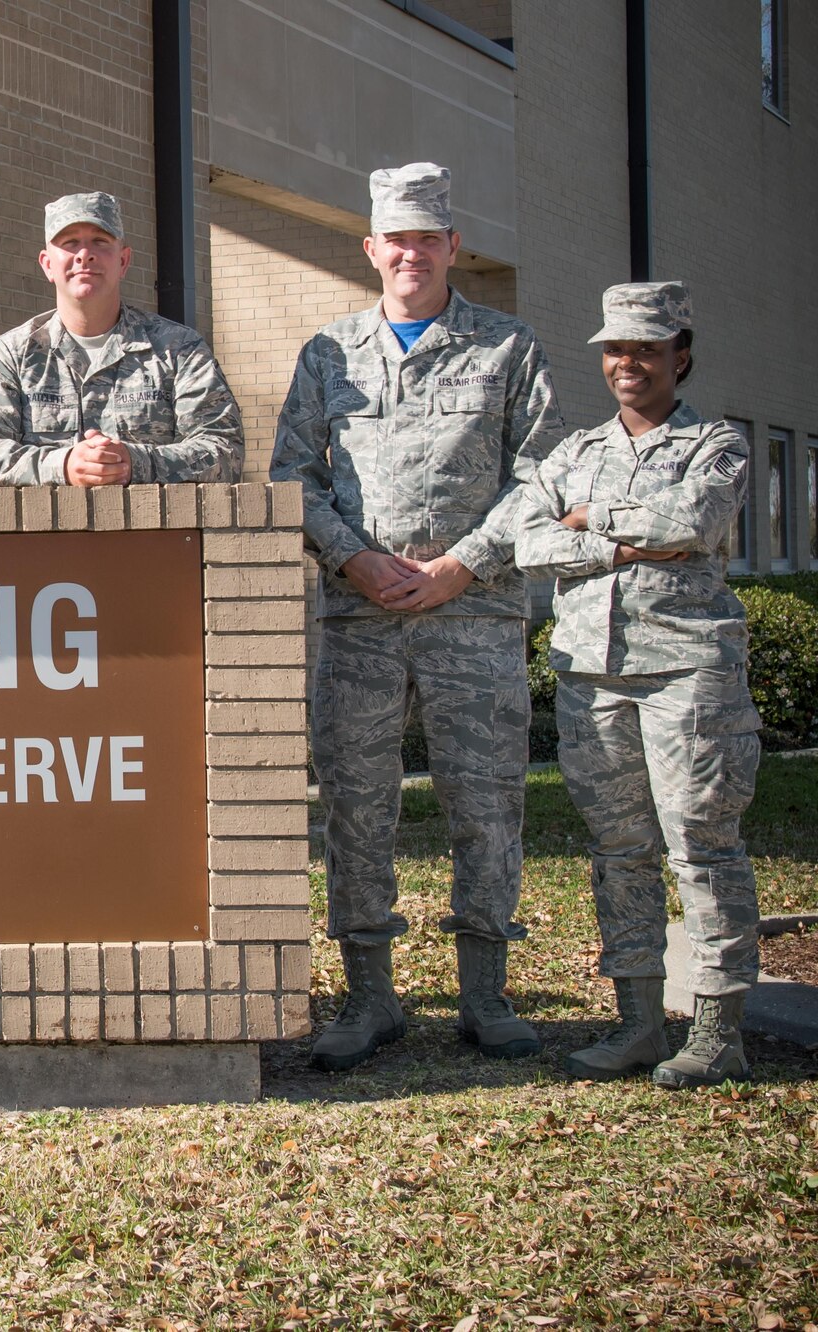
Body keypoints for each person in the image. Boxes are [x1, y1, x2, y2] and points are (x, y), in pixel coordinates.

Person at [271, 162, 567, 1071]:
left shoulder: (507, 347)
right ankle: (369, 1001)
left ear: (452, 245)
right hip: (359, 624)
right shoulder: (329, 352)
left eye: (426, 238)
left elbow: (544, 476)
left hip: (471, 621)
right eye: (394, 238)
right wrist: (352, 557)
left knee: (487, 806)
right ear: (372, 249)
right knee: (357, 811)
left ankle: (486, 996)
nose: (410, 253)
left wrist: (460, 565)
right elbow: (293, 476)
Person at [515, 281, 758, 1089]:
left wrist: (589, 520)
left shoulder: (716, 443)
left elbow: (695, 522)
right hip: (594, 675)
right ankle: (639, 1024)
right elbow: (526, 539)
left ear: (679, 356)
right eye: (617, 349)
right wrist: (619, 544)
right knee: (620, 850)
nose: (628, 363)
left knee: (701, 845)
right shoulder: (574, 451)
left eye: (647, 349)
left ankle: (720, 1030)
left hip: (689, 673)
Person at [0, 191, 241, 486]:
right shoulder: (10, 357)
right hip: (45, 532)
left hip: (150, 531)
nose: (84, 254)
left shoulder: (178, 351)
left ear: (124, 261)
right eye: (70, 243)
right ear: (47, 264)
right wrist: (61, 466)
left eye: (100, 242)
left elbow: (223, 452)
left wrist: (135, 463)